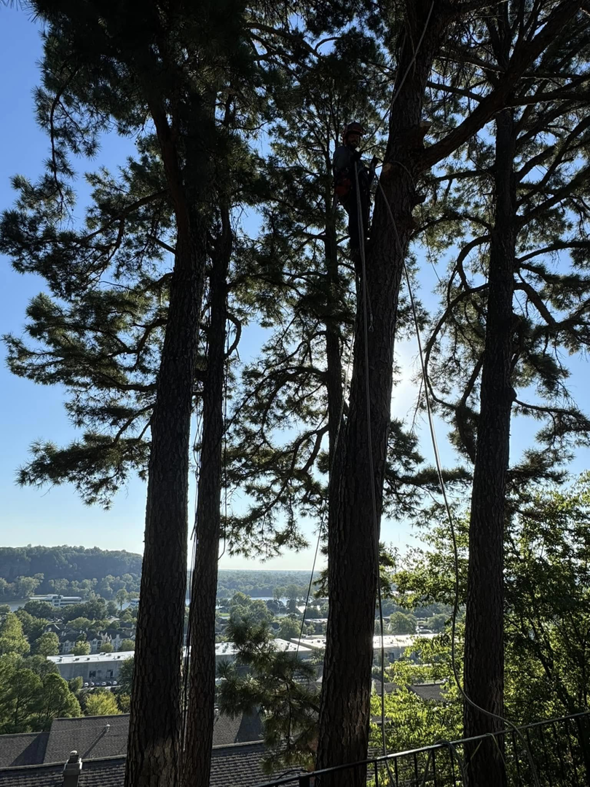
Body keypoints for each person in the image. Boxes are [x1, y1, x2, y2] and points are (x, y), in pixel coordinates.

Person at [333, 121, 377, 267]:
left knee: (363, 222)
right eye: (352, 137)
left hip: (362, 194)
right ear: (346, 138)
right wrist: (352, 162)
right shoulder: (342, 151)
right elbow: (340, 167)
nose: (355, 140)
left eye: (357, 138)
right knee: (356, 219)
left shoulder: (358, 160)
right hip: (350, 191)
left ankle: (362, 248)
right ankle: (356, 250)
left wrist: (372, 167)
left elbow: (366, 181)